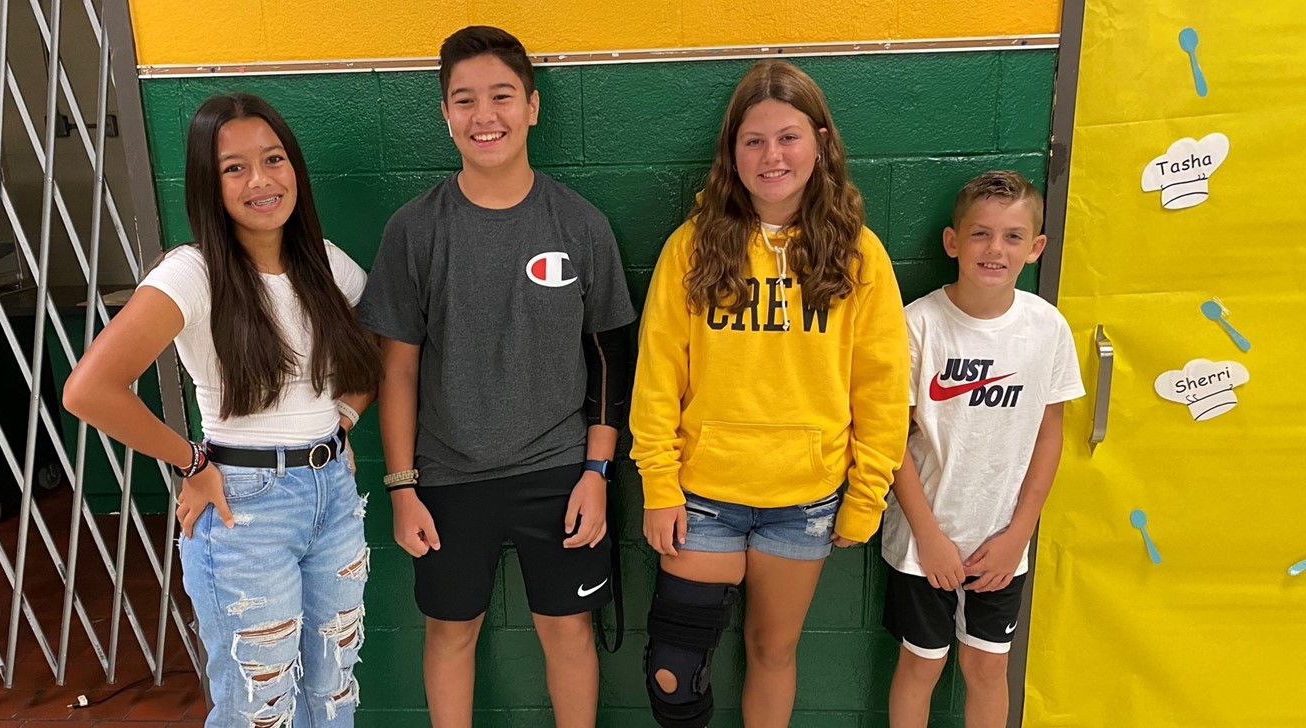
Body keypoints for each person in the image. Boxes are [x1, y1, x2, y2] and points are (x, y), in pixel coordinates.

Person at [62, 93, 380, 726]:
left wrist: (343, 420)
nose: (260, 180)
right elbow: (88, 390)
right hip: (244, 507)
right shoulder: (193, 272)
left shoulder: (324, 263)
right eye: (234, 168)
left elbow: (379, 350)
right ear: (209, 183)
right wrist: (193, 460)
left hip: (334, 496)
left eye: (274, 159)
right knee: (257, 708)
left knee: (333, 691)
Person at [355, 26, 636, 728]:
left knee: (568, 633)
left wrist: (596, 475)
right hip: (447, 479)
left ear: (533, 107)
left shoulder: (580, 225)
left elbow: (609, 360)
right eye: (465, 99)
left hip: (560, 472)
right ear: (445, 114)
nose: (486, 116)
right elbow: (398, 371)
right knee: (451, 635)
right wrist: (401, 488)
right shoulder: (415, 231)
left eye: (502, 96)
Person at [630, 59, 910, 728]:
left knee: (771, 650)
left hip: (804, 500)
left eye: (788, 137)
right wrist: (660, 484)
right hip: (703, 492)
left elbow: (882, 385)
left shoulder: (859, 255)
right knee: (674, 669)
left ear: (819, 141)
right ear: (731, 152)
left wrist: (867, 494)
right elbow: (658, 373)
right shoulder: (693, 247)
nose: (771, 156)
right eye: (753, 140)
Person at [879, 170, 1084, 728]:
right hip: (925, 541)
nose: (996, 249)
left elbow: (1050, 433)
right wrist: (928, 535)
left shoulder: (1047, 328)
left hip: (1002, 542)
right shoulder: (918, 325)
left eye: (1014, 237)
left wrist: (1020, 532)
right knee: (920, 667)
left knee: (988, 668)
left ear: (1036, 248)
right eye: (981, 234)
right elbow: (891, 440)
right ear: (953, 242)